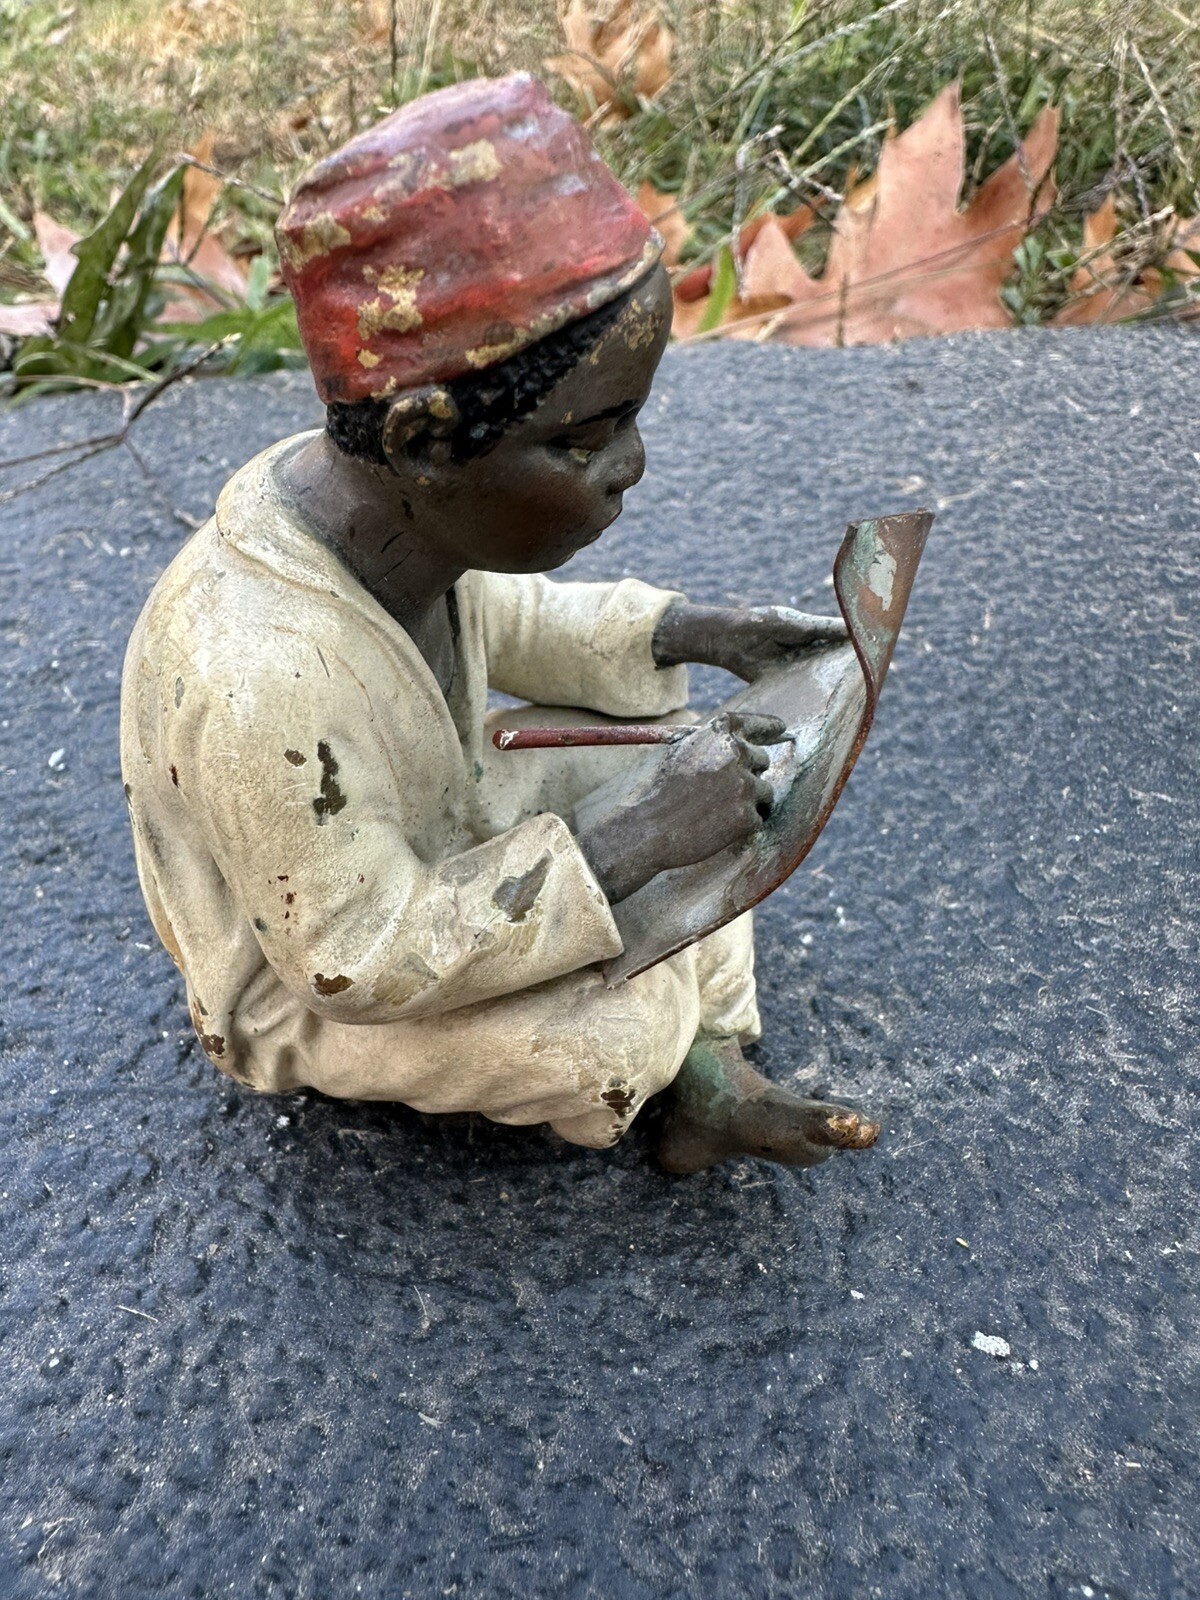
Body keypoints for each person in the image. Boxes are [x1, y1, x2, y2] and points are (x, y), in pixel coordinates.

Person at [120, 73, 879, 1173]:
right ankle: (674, 1054)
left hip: (444, 816)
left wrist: (688, 631)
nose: (631, 467)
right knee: (610, 1035)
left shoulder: (387, 514)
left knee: (710, 766)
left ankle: (709, 1063)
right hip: (309, 982)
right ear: (428, 440)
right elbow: (351, 954)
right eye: (586, 438)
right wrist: (628, 844)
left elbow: (500, 607)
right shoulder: (260, 677)